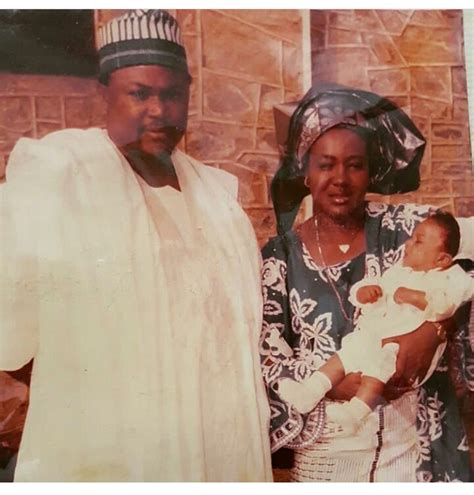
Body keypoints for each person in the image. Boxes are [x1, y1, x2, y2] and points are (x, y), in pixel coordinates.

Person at [0, 10, 272, 481]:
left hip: (212, 446)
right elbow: (11, 327)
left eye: (172, 94)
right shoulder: (64, 174)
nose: (159, 111)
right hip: (112, 452)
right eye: (140, 93)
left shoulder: (216, 199)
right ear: (103, 93)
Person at [260, 83, 474, 482]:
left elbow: (467, 270)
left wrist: (434, 329)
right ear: (305, 172)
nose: (340, 178)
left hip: (418, 449)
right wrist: (334, 383)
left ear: (370, 171)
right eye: (326, 164)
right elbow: (266, 353)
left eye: (354, 164)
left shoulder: (411, 229)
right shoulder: (278, 259)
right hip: (328, 454)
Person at [276, 212, 474, 433]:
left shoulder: (451, 278)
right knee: (342, 357)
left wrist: (414, 296)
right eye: (411, 238)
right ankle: (309, 392)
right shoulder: (400, 271)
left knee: (380, 367)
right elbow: (377, 285)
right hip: (375, 333)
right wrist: (365, 293)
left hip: (399, 346)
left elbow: (447, 305)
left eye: (418, 241)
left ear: (442, 259)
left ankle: (356, 412)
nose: (408, 243)